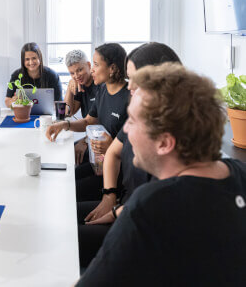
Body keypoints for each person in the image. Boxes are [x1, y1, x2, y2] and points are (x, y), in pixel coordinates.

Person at [78, 64, 246, 286]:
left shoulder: (150, 205)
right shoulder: (240, 173)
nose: (125, 130)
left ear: (165, 143)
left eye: (133, 121)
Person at [77, 42, 182, 268]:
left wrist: (115, 212)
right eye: (129, 77)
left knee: (70, 240)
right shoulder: (139, 113)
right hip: (123, 203)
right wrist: (109, 196)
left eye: (137, 79)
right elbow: (114, 152)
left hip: (139, 222)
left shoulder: (173, 134)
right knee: (64, 218)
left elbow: (157, 195)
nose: (130, 85)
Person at [46, 43, 129, 201]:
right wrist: (65, 125)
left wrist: (111, 146)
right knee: (63, 182)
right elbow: (89, 121)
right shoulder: (103, 91)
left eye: (96, 65)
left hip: (116, 171)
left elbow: (133, 149)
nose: (91, 70)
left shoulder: (128, 98)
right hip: (99, 162)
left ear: (112, 68)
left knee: (67, 193)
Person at [63, 49, 99, 165]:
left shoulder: (99, 85)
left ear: (89, 65)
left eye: (80, 70)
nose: (76, 76)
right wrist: (69, 86)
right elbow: (67, 113)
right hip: (90, 137)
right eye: (72, 73)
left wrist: (85, 141)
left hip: (100, 141)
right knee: (65, 150)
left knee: (72, 157)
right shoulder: (80, 85)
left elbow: (97, 123)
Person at [5, 42, 63, 107]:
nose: (31, 62)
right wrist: (13, 101)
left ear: (40, 58)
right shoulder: (16, 75)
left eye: (34, 58)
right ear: (23, 61)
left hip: (46, 116)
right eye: (27, 59)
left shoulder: (52, 75)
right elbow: (7, 101)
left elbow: (60, 102)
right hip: (23, 113)